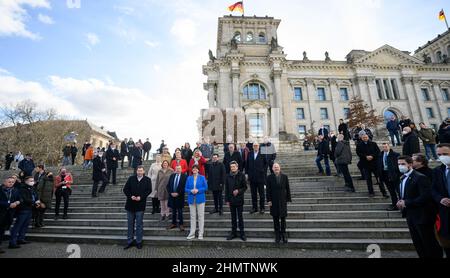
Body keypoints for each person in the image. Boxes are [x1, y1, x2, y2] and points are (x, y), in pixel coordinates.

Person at [397, 156, 443, 258]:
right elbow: (405, 195)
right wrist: (400, 202)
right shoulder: (402, 177)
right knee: (418, 243)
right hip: (410, 215)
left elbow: (425, 196)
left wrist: (407, 203)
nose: (400, 166)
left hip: (422, 216)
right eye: (399, 164)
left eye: (403, 164)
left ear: (410, 164)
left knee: (428, 243)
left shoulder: (420, 177)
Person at [123, 165, 152, 250]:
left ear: (143, 171)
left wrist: (141, 197)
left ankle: (139, 242)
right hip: (130, 205)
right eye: (138, 171)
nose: (139, 172)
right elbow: (125, 189)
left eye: (141, 171)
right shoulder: (131, 178)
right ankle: (130, 241)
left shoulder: (147, 180)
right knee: (130, 224)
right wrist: (130, 196)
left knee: (139, 225)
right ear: (136, 171)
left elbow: (149, 190)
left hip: (140, 205)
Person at [9, 176, 40, 249]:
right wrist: (34, 202)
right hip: (23, 209)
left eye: (33, 180)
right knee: (18, 225)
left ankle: (21, 239)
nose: (32, 182)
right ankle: (12, 242)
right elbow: (25, 198)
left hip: (30, 209)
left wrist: (37, 200)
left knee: (25, 225)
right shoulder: (22, 188)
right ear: (26, 181)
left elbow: (35, 195)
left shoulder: (32, 188)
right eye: (30, 180)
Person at [266, 163, 291, 244]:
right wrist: (269, 200)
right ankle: (277, 235)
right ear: (272, 169)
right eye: (275, 167)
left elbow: (287, 188)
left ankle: (283, 234)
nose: (276, 168)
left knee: (283, 219)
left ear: (280, 168)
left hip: (283, 201)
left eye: (277, 167)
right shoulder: (269, 177)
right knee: (275, 219)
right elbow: (268, 190)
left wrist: (288, 199)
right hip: (273, 201)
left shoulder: (285, 176)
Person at [432, 143, 450, 258]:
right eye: (439, 154)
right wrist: (440, 198)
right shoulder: (437, 171)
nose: (442, 157)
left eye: (445, 154)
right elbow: (433, 189)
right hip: (445, 216)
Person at [225, 161, 248, 241]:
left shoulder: (241, 175)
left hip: (239, 200)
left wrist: (238, 191)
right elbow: (226, 189)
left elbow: (245, 187)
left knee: (240, 218)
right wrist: (227, 200)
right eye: (231, 167)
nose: (232, 168)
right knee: (233, 218)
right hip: (231, 200)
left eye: (234, 167)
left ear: (237, 167)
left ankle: (242, 233)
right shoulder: (228, 176)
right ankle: (233, 233)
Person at [185, 165, 208, 240]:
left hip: (200, 198)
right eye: (193, 168)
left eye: (196, 169)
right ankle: (192, 233)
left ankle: (200, 234)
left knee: (201, 216)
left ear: (198, 170)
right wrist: (190, 191)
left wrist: (198, 190)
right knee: (192, 216)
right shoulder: (189, 178)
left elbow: (205, 187)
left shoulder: (202, 177)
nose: (194, 170)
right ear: (192, 170)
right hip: (191, 198)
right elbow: (186, 188)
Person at [377, 143, 401, 211]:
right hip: (385, 175)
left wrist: (397, 174)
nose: (385, 148)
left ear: (389, 147)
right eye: (383, 147)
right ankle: (394, 204)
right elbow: (378, 165)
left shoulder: (395, 155)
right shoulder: (380, 155)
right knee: (391, 191)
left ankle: (402, 204)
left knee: (398, 190)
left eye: (386, 147)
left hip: (394, 175)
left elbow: (398, 166)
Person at [0, 177, 20, 253]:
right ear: (5, 182)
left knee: (2, 231)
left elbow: (19, 199)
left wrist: (17, 202)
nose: (11, 183)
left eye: (12, 182)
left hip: (9, 214)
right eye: (9, 182)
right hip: (1, 212)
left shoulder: (15, 190)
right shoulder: (1, 189)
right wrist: (8, 204)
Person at [246, 142, 267, 214]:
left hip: (260, 177)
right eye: (254, 146)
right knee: (253, 194)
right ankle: (254, 208)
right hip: (252, 177)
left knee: (261, 194)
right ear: (252, 146)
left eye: (257, 145)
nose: (255, 147)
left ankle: (262, 208)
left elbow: (265, 164)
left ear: (259, 146)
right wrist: (247, 173)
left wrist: (263, 172)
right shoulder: (250, 153)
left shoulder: (262, 153)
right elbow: (247, 164)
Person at [167, 165, 187, 231]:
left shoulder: (184, 176)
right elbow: (168, 186)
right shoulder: (172, 176)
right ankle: (173, 223)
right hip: (172, 196)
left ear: (181, 169)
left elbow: (185, 187)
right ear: (175, 169)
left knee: (180, 211)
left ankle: (181, 224)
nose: (178, 170)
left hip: (180, 196)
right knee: (173, 211)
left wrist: (178, 193)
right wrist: (171, 193)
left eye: (179, 168)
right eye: (176, 168)